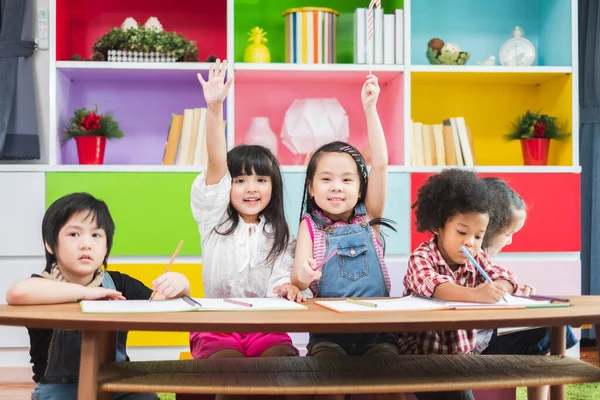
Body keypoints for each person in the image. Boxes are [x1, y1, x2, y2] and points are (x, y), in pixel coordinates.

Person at [189, 60, 307, 400]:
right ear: (227, 185)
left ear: (273, 186)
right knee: (233, 380)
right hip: (216, 328)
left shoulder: (282, 235)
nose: (250, 188)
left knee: (284, 373)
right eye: (240, 180)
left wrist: (289, 287)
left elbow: (282, 280)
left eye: (260, 179)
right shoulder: (215, 221)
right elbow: (215, 163)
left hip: (267, 328)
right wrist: (214, 109)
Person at [6, 192, 190, 400]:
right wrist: (87, 293)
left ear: (106, 247)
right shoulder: (43, 286)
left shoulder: (118, 283)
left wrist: (181, 285)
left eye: (96, 235)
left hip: (117, 381)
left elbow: (165, 304)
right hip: (60, 388)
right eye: (74, 234)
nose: (86, 244)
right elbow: (16, 293)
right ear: (50, 243)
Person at [291, 74, 403, 400]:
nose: (336, 186)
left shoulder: (370, 218)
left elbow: (380, 164)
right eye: (326, 179)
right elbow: (297, 277)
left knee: (390, 387)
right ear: (311, 188)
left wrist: (370, 108)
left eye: (346, 179)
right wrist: (303, 276)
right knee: (329, 388)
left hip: (379, 336)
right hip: (329, 337)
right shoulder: (309, 225)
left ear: (360, 188)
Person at [399, 169, 520, 400]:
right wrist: (478, 294)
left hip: (462, 354)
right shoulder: (422, 257)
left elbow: (507, 276)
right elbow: (437, 288)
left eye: (478, 236)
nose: (470, 242)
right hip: (422, 358)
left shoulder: (476, 258)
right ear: (437, 226)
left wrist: (501, 287)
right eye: (462, 232)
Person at [481, 177, 577, 400]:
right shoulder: (469, 260)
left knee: (549, 331)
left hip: (482, 339)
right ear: (489, 228)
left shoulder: (485, 262)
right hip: (472, 347)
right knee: (546, 335)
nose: (510, 242)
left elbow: (504, 281)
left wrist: (512, 296)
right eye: (508, 234)